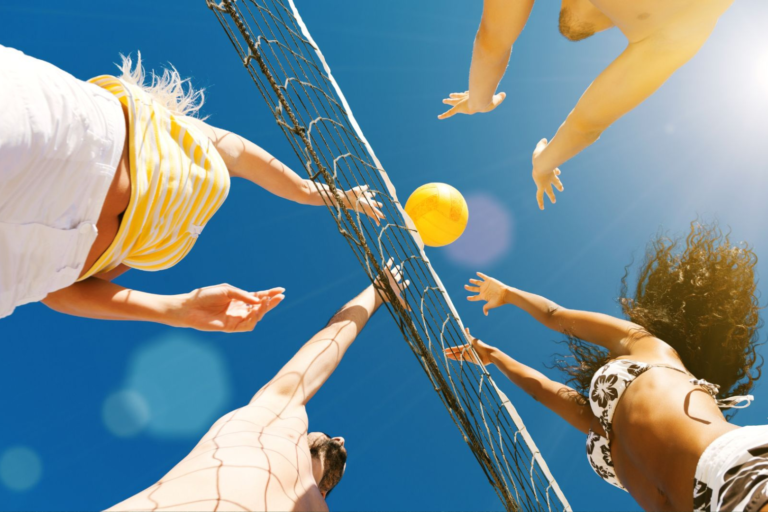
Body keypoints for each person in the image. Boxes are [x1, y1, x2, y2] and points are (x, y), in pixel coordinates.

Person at [0, 46, 383, 331]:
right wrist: (330, 195)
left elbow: (62, 293)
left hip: (22, 269)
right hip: (52, 134)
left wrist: (178, 309)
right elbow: (253, 162)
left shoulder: (176, 169)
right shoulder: (172, 128)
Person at [447, 222, 766, 511]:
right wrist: (490, 355)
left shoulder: (648, 345)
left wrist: (509, 293)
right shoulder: (598, 422)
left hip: (736, 467)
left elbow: (555, 315)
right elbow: (539, 389)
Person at [107, 263, 407, 511]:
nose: (339, 439)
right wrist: (378, 293)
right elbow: (332, 339)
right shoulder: (276, 418)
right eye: (329, 435)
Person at [438, 0, 735, 210]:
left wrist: (480, 100)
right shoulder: (683, 28)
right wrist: (541, 164)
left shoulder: (684, 28)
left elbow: (494, 39)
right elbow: (584, 124)